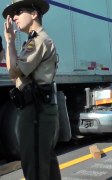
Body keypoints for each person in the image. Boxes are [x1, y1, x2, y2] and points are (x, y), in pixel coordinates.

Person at [3, 0, 61, 179]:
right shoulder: (33, 41)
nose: (14, 17)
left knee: (34, 164)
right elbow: (14, 71)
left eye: (18, 11)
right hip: (40, 109)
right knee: (45, 161)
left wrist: (10, 42)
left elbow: (13, 71)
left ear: (34, 14)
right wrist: (10, 43)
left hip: (36, 112)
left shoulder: (38, 41)